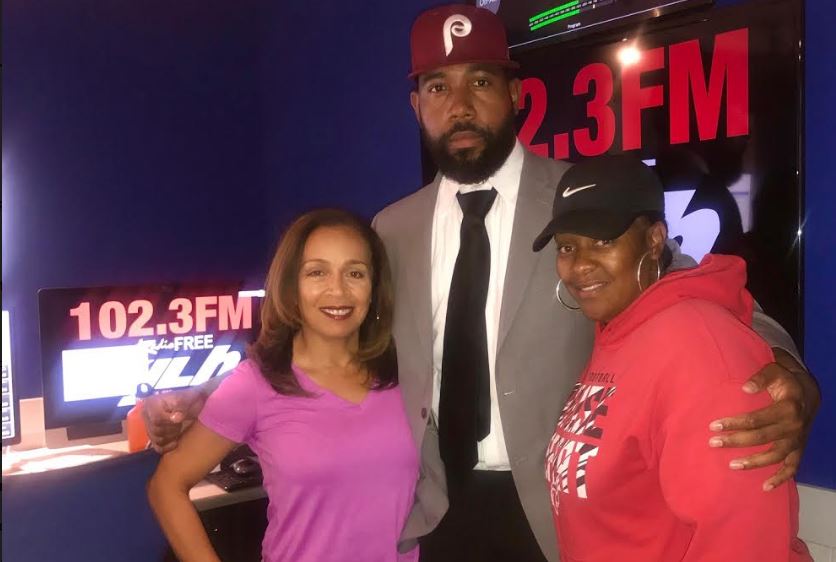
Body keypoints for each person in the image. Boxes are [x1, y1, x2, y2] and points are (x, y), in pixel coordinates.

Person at [144, 5, 819, 561]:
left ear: (516, 94)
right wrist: (212, 400)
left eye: (480, 82)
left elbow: (701, 291)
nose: (460, 106)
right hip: (435, 512)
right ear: (417, 105)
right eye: (438, 88)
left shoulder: (581, 201)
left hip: (554, 512)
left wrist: (787, 372)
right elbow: (334, 345)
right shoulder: (391, 230)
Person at [535, 155, 811, 561]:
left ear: (654, 239)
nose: (579, 266)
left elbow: (745, 542)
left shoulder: (697, 346)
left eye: (604, 241)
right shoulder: (619, 328)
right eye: (567, 247)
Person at [147, 209, 419, 562]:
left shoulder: (405, 375)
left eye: (355, 273)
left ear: (374, 288)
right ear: (291, 288)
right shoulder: (255, 384)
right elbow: (165, 487)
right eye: (317, 272)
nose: (338, 289)